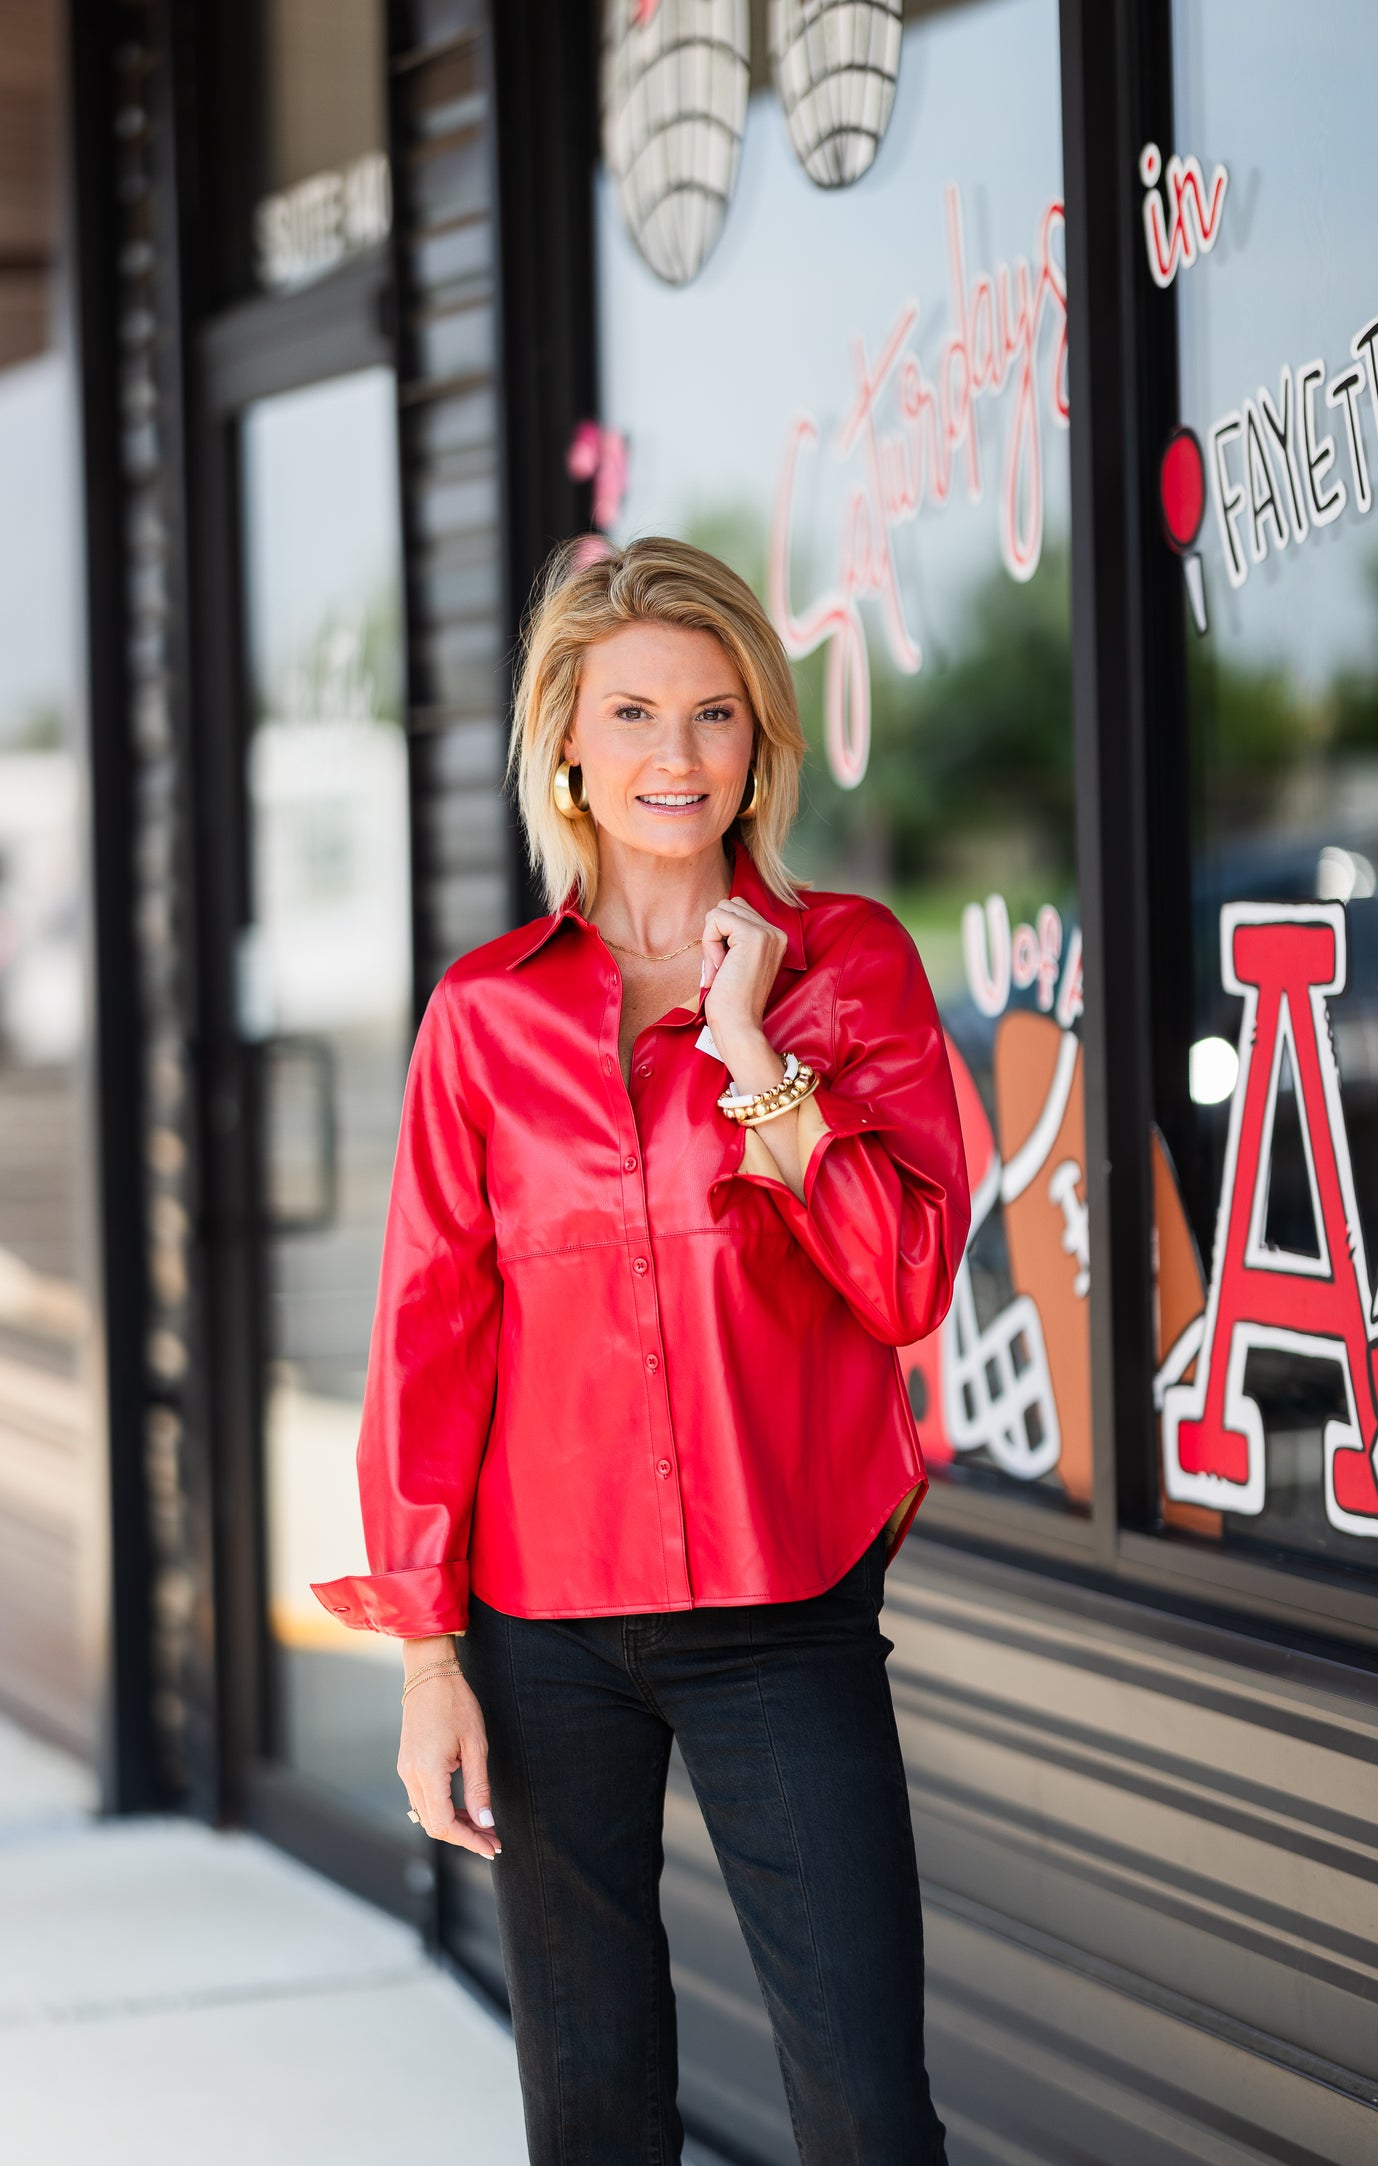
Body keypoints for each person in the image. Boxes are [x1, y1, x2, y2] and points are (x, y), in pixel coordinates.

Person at [313, 535, 970, 2164]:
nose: (675, 757)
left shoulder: (851, 965)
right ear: (569, 746)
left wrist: (756, 1056)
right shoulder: (482, 1016)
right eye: (632, 715)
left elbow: (903, 1282)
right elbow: (428, 1337)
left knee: (868, 2111)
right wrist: (425, 1651)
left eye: (715, 715)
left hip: (784, 1609)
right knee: (592, 2110)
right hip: (540, 1635)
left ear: (761, 743)